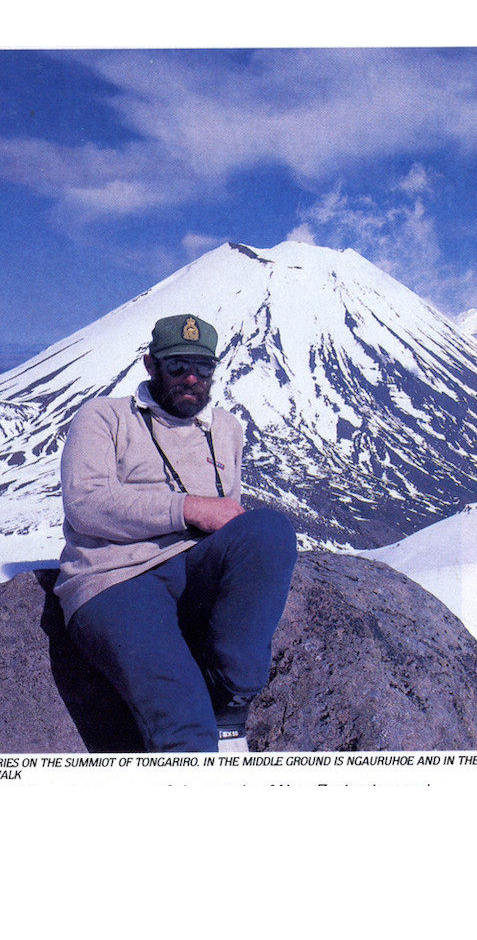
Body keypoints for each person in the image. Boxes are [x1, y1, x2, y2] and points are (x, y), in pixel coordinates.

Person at [55, 313, 297, 752]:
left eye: (203, 368)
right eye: (177, 366)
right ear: (151, 365)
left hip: (194, 570)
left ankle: (230, 693)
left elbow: (231, 524)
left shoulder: (226, 429)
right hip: (119, 578)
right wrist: (188, 508)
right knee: (185, 727)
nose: (191, 378)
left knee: (269, 530)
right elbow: (85, 505)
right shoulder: (103, 417)